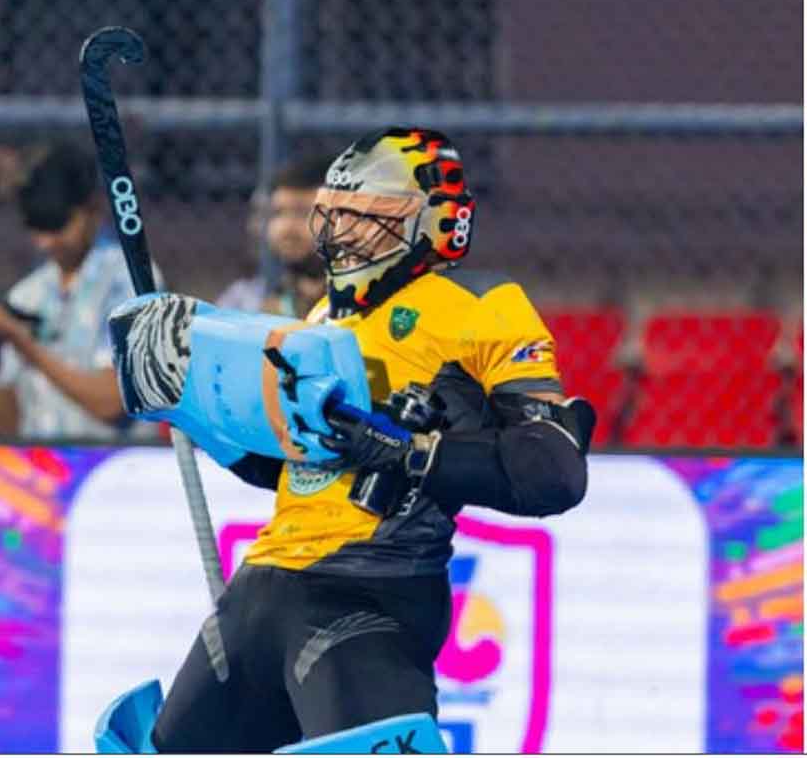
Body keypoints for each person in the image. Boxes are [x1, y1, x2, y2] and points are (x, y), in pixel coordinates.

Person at [150, 128, 596, 752]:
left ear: (434, 224)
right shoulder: (323, 318)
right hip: (261, 589)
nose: (343, 234)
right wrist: (192, 408)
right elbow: (290, 464)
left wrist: (409, 453)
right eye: (337, 216)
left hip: (366, 592)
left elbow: (555, 470)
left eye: (369, 219)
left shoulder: (480, 305)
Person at [0, 141, 162, 440]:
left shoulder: (130, 280)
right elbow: (10, 428)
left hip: (113, 463)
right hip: (39, 464)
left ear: (92, 209)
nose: (45, 242)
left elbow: (112, 403)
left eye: (57, 225)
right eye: (35, 226)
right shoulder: (28, 293)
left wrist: (21, 340)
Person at [215, 155, 332, 317]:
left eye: (303, 212)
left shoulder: (361, 306)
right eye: (278, 213)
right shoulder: (246, 302)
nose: (285, 228)